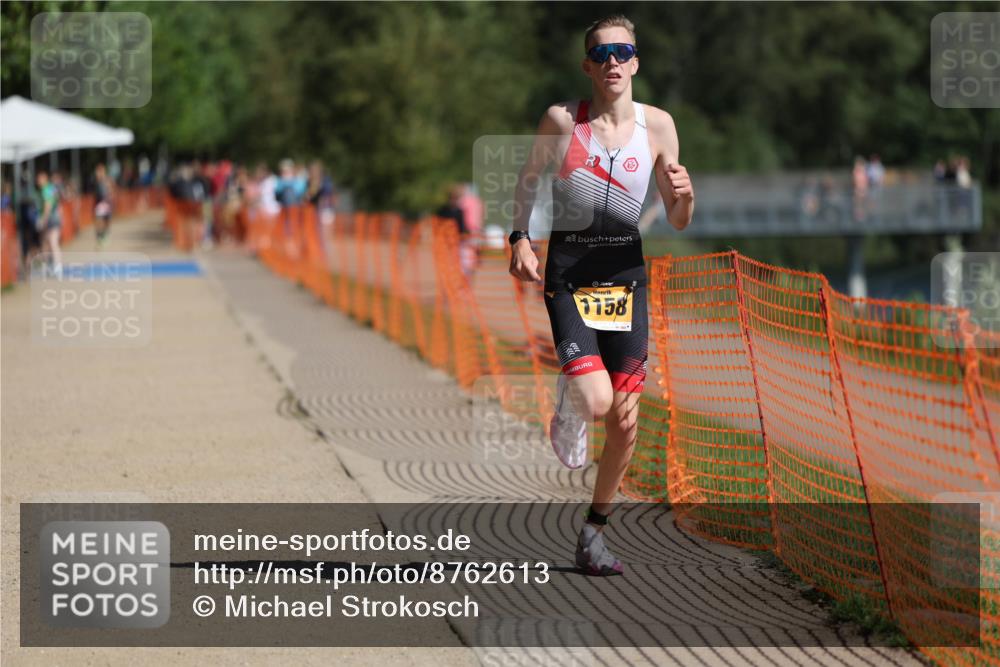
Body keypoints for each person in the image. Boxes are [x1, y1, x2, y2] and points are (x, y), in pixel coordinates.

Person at [507, 15, 694, 576]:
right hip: (569, 275)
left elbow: (680, 219)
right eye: (602, 52)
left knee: (626, 421)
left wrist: (686, 197)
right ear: (588, 65)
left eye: (623, 51)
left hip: (626, 279)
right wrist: (519, 237)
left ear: (636, 62)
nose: (613, 61)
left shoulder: (658, 126)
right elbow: (527, 180)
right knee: (595, 401)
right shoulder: (562, 121)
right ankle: (571, 397)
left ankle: (594, 533)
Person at [36, 171, 63, 276]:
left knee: (52, 242)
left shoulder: (46, 189)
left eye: (40, 178)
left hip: (51, 219)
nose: (38, 181)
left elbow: (48, 204)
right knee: (48, 242)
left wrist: (43, 220)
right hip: (55, 218)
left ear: (44, 178)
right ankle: (53, 265)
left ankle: (56, 266)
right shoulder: (51, 188)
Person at [93, 163, 114, 248]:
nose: (98, 173)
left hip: (106, 203)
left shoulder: (107, 180)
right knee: (98, 220)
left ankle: (104, 235)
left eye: (100, 171)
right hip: (99, 204)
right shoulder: (97, 180)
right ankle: (99, 237)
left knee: (106, 221)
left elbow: (111, 190)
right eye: (97, 171)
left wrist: (110, 199)